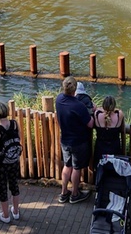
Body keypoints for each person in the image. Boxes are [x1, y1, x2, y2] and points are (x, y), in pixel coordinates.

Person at [56, 76, 94, 204]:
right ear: (75, 90)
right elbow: (90, 124)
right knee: (76, 168)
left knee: (67, 166)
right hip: (78, 141)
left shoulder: (59, 99)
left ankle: (63, 193)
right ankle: (75, 194)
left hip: (65, 140)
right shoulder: (79, 105)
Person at [0, 101, 22, 224]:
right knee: (14, 185)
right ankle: (16, 212)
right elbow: (18, 139)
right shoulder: (14, 124)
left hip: (1, 164)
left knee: (2, 188)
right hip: (14, 160)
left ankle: (5, 215)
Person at [93, 95, 124, 160]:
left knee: (100, 167)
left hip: (100, 149)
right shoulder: (119, 115)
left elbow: (96, 108)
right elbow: (118, 110)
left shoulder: (97, 114)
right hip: (114, 149)